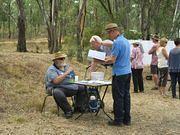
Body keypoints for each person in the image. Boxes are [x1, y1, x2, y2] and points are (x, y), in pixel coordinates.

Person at [94, 23, 131, 126]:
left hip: (119, 73)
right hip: (127, 72)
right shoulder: (125, 41)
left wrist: (99, 60)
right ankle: (127, 119)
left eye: (109, 33)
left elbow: (112, 60)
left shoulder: (117, 43)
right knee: (126, 96)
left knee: (118, 97)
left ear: (114, 31)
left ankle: (118, 120)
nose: (109, 35)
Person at [45, 52, 85, 118]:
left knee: (82, 87)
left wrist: (73, 80)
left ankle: (78, 107)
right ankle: (68, 111)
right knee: (57, 92)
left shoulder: (67, 67)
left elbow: (74, 79)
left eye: (63, 58)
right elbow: (56, 81)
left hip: (69, 86)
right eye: (60, 59)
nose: (62, 60)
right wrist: (66, 73)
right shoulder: (51, 69)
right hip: (55, 87)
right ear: (55, 61)